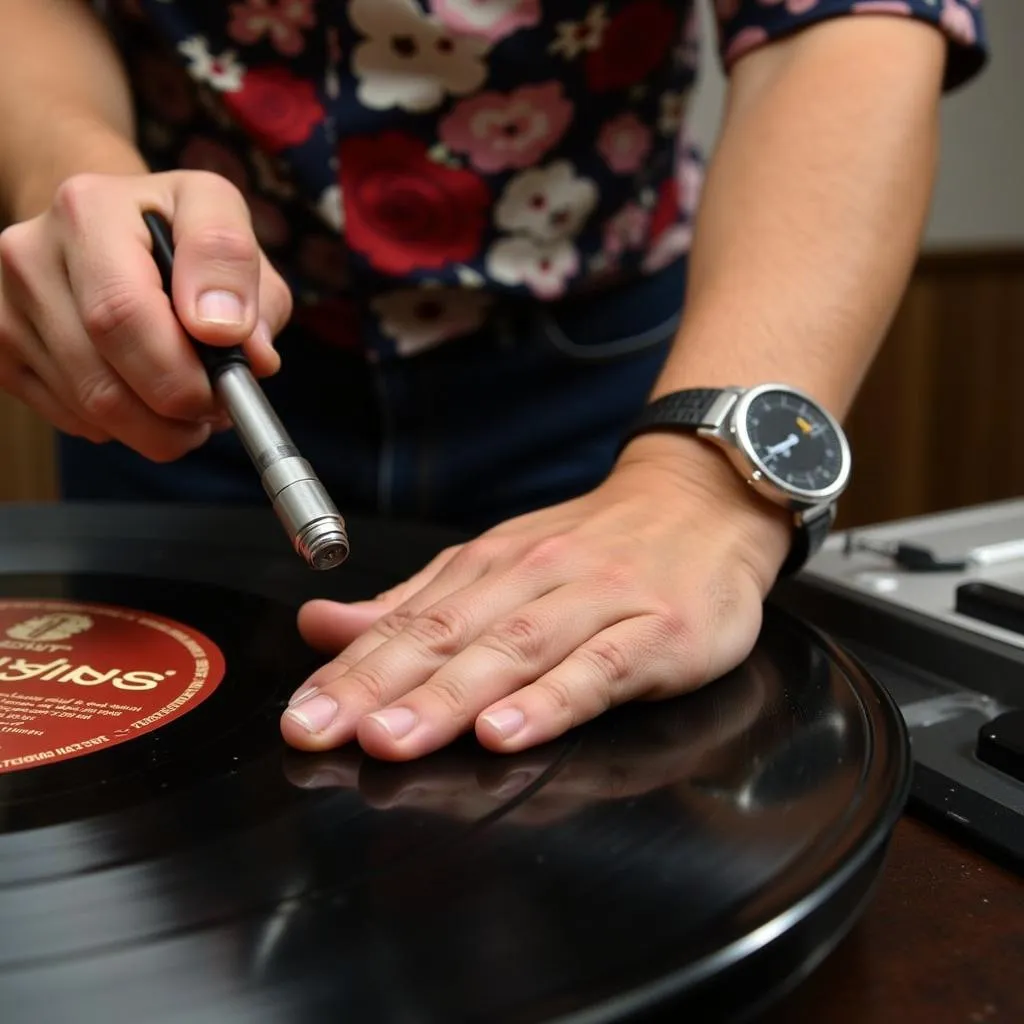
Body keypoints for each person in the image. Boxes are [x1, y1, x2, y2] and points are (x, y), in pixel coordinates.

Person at [0, 0, 988, 763]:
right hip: (177, 363)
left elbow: (845, 22)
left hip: (618, 390)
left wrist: (696, 487)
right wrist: (76, 170)